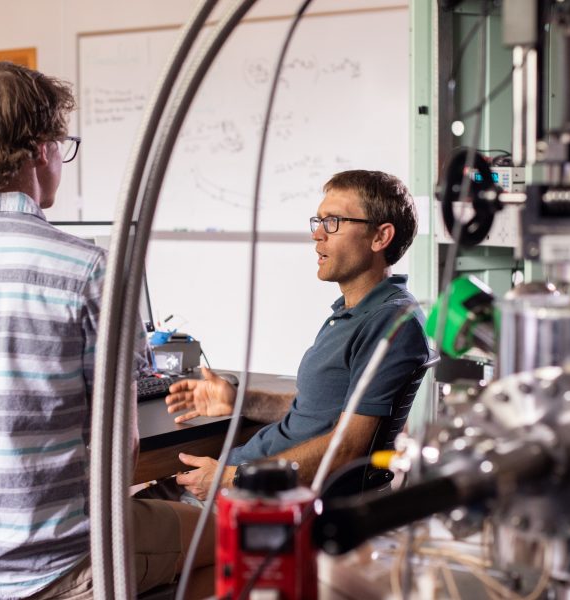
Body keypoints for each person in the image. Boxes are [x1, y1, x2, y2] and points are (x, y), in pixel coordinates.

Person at [0, 62, 212, 600]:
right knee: (232, 535)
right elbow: (119, 453)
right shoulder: (91, 271)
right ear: (42, 148)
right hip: (57, 565)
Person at [165, 170, 430, 499]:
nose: (317, 234)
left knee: (116, 521)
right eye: (317, 221)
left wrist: (232, 477)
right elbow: (319, 412)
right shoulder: (353, 312)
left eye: (333, 221)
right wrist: (239, 401)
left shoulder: (390, 322)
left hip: (267, 500)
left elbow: (347, 448)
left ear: (380, 237)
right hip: (248, 482)